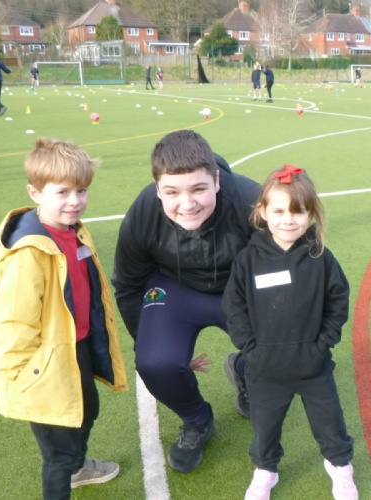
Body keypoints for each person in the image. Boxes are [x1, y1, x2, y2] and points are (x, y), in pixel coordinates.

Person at [111, 130, 260, 473]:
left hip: (237, 290)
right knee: (156, 362)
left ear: (217, 180)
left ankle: (244, 368)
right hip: (174, 288)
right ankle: (197, 420)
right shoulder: (144, 212)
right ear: (157, 189)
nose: (187, 203)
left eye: (198, 189)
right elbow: (128, 285)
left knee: (280, 349)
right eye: (172, 192)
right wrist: (152, 343)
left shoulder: (251, 200)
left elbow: (292, 267)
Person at [0, 138, 128, 500]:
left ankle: (79, 469)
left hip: (74, 347)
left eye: (81, 190)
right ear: (35, 192)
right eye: (62, 192)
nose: (75, 201)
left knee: (87, 411)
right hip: (44, 365)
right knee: (58, 454)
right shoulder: (29, 252)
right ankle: (70, 470)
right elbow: (13, 322)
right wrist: (20, 377)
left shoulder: (73, 230)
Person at [222, 165, 358, 500]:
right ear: (262, 211)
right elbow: (234, 307)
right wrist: (251, 350)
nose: (289, 220)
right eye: (279, 211)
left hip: (313, 367)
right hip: (265, 369)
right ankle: (265, 470)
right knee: (265, 428)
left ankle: (340, 467)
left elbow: (338, 300)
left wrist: (321, 345)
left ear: (311, 213)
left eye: (298, 211)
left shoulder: (321, 257)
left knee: (330, 424)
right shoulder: (247, 260)